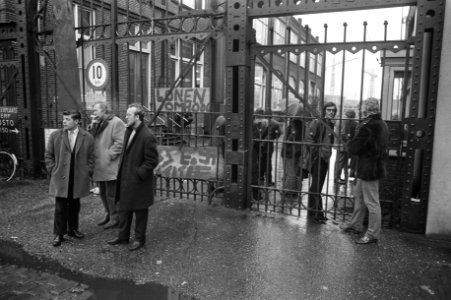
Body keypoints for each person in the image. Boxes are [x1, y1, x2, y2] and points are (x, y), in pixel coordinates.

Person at [107, 103, 159, 251]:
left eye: (128, 115)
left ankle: (139, 239)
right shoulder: (128, 130)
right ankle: (122, 237)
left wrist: (138, 173)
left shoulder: (147, 135)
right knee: (124, 209)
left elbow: (152, 161)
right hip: (125, 179)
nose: (125, 117)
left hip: (138, 182)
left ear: (137, 117)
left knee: (140, 211)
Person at [341, 99, 389, 244]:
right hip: (371, 167)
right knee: (359, 197)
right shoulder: (382, 124)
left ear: (368, 109)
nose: (360, 109)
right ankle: (355, 224)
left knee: (372, 202)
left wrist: (349, 144)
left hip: (369, 169)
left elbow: (355, 147)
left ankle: (373, 234)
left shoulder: (368, 126)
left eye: (362, 107)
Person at [45, 110, 95, 247]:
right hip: (60, 176)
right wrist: (53, 170)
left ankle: (72, 229)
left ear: (77, 121)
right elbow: (48, 155)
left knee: (75, 205)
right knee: (60, 207)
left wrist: (88, 171)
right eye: (64, 119)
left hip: (78, 177)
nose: (64, 121)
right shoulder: (56, 135)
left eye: (67, 119)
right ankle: (59, 234)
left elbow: (91, 157)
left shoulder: (87, 137)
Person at [89, 101, 125, 229]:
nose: (93, 113)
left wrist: (109, 154)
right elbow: (90, 139)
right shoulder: (98, 123)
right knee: (103, 192)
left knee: (112, 194)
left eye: (96, 111)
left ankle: (115, 217)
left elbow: (120, 142)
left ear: (104, 111)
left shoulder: (116, 122)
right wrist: (92, 127)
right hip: (100, 165)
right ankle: (108, 214)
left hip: (111, 164)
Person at [304, 102, 337, 223]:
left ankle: (312, 210)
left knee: (317, 186)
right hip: (318, 158)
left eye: (333, 110)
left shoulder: (330, 124)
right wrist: (316, 154)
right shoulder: (318, 122)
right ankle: (318, 213)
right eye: (329, 110)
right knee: (316, 186)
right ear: (324, 111)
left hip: (325, 159)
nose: (331, 112)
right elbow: (309, 139)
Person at [334, 109, 358, 184]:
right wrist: (349, 137)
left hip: (339, 143)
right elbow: (343, 133)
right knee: (340, 162)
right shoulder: (346, 119)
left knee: (339, 161)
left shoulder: (341, 118)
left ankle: (338, 177)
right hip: (342, 144)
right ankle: (336, 178)